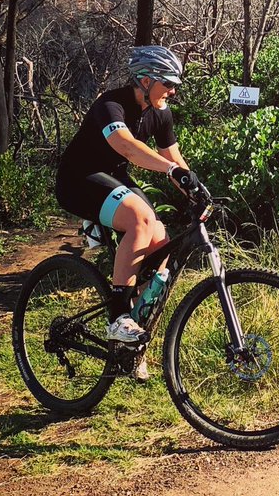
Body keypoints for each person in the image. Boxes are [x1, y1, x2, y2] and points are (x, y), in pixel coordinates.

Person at [55, 44, 201, 350]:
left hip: (113, 179)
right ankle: (119, 318)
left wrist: (196, 191)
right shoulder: (111, 105)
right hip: (78, 179)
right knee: (140, 217)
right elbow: (128, 148)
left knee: (160, 239)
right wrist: (172, 170)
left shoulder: (160, 114)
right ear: (146, 81)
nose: (173, 92)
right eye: (168, 83)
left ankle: (133, 336)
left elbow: (172, 156)